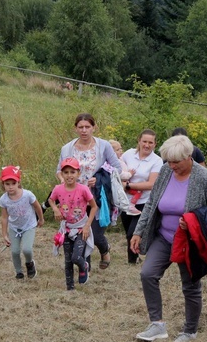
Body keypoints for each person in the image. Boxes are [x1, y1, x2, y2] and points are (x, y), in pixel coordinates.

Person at [130, 135, 207, 342]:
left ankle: (190, 331)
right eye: (168, 161)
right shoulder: (166, 171)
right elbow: (152, 203)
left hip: (188, 242)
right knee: (148, 274)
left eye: (176, 162)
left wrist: (194, 221)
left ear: (189, 157)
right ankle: (157, 325)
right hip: (164, 236)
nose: (171, 166)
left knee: (190, 285)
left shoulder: (204, 177)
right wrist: (138, 231)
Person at [57, 113, 120, 270]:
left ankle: (104, 249)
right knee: (82, 234)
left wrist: (99, 178)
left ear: (94, 127)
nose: (84, 130)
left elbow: (117, 168)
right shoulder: (67, 148)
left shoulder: (103, 146)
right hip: (75, 198)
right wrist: (63, 180)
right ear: (75, 129)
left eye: (87, 127)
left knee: (95, 233)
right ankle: (86, 270)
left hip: (97, 196)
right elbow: (59, 170)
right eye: (80, 127)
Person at [50, 158, 98, 291]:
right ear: (62, 174)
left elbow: (94, 207)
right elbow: (51, 199)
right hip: (66, 228)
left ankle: (84, 267)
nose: (69, 175)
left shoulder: (83, 189)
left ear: (78, 173)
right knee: (68, 260)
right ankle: (70, 288)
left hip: (81, 228)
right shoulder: (58, 189)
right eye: (66, 172)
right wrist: (55, 209)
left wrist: (87, 226)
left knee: (76, 257)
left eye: (72, 172)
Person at [120, 129, 163, 264]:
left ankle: (132, 260)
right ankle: (135, 255)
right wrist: (122, 182)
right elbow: (117, 169)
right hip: (126, 200)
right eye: (144, 141)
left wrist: (129, 186)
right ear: (139, 141)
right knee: (128, 230)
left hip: (144, 201)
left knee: (132, 232)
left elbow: (151, 184)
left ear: (155, 144)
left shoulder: (157, 161)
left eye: (150, 142)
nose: (147, 145)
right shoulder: (128, 154)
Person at [0, 165, 44, 280]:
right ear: (3, 185)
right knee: (15, 251)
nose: (10, 187)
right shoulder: (3, 199)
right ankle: (19, 273)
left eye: (13, 183)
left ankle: (29, 263)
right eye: (7, 184)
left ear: (18, 182)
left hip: (29, 225)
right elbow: (4, 217)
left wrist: (41, 218)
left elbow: (37, 207)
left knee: (27, 249)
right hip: (14, 227)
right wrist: (4, 234)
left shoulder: (27, 195)